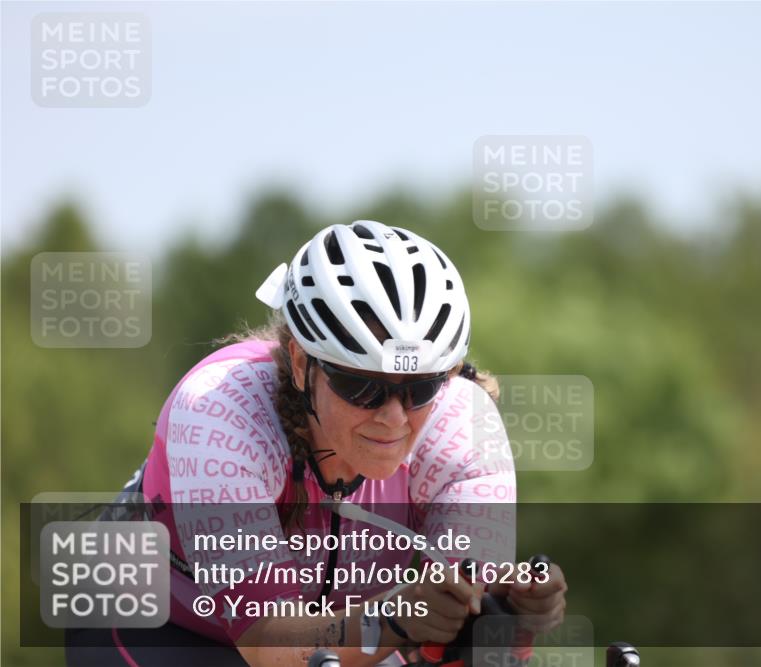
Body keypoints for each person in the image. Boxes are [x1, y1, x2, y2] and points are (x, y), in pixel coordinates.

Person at [65, 221, 568, 667]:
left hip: (340, 636)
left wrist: (505, 610)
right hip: (158, 622)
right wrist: (400, 615)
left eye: (421, 388)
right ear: (302, 365)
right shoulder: (220, 411)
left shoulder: (463, 425)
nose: (394, 416)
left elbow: (456, 630)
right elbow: (271, 648)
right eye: (361, 386)